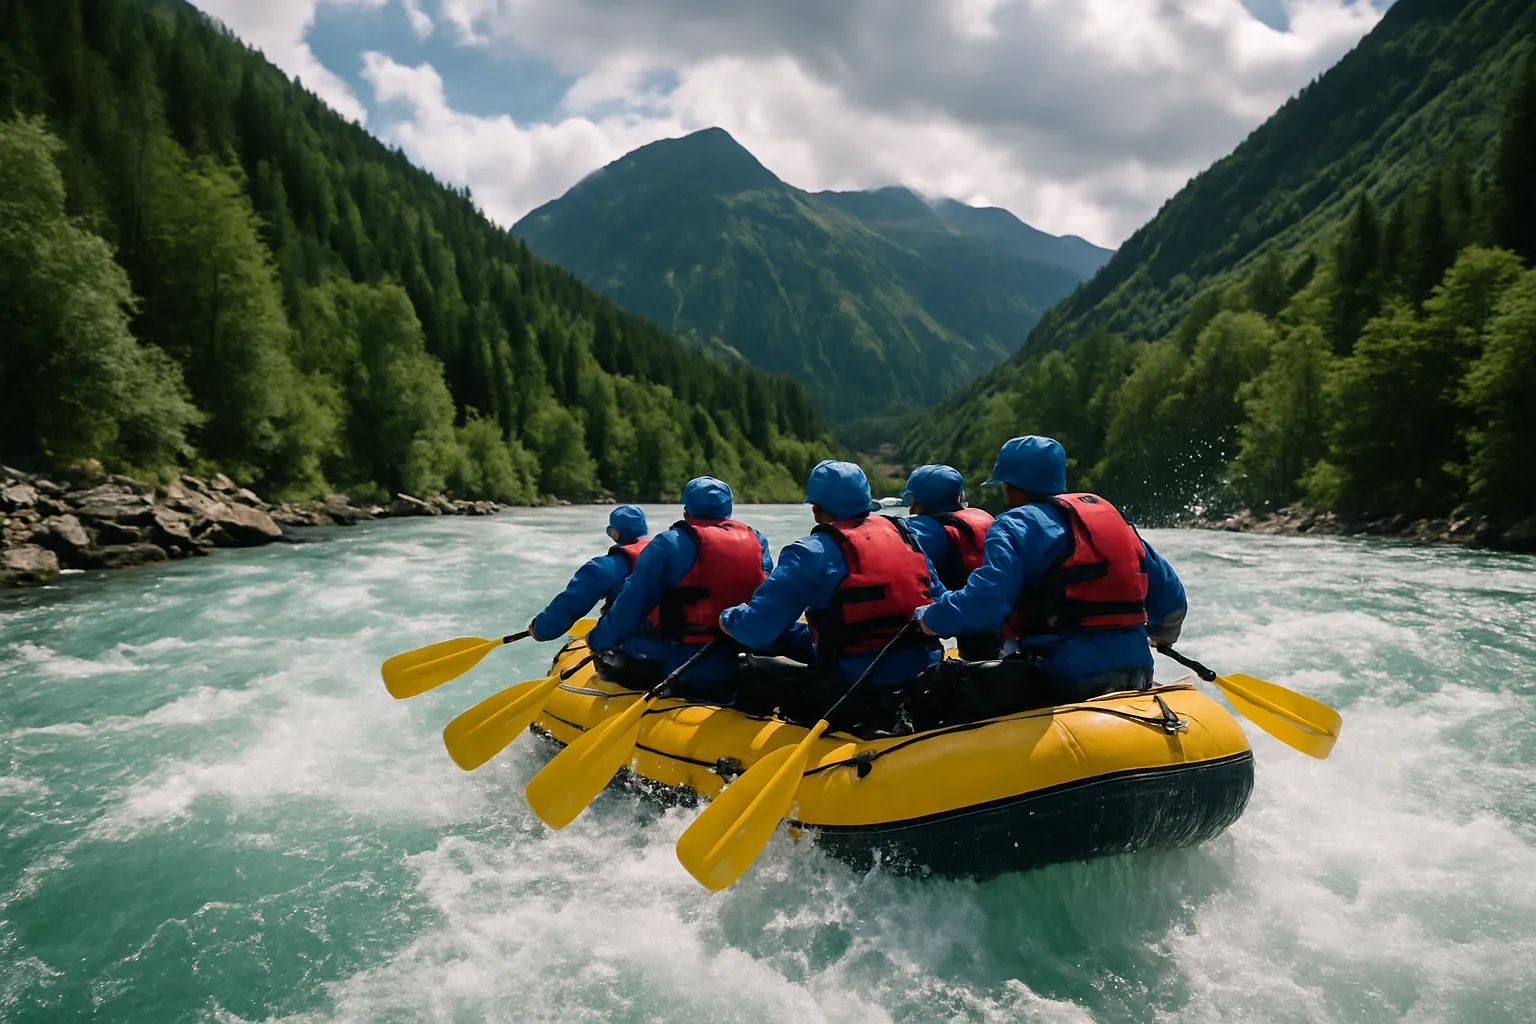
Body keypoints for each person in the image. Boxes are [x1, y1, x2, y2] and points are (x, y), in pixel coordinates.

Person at [916, 435, 1186, 710]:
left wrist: (930, 619)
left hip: (1061, 679)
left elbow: (986, 602)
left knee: (940, 689)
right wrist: (1160, 634)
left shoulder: (1014, 525)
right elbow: (1172, 599)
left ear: (1009, 486)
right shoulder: (1112, 521)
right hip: (1137, 673)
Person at [719, 460, 946, 729]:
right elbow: (939, 599)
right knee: (802, 636)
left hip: (853, 685)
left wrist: (728, 618)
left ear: (816, 507)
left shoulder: (810, 552)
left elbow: (757, 629)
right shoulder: (905, 535)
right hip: (924, 675)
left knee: (749, 668)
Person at [586, 477, 772, 692]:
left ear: (686, 511)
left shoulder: (669, 543)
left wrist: (596, 641)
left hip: (676, 659)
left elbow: (630, 606)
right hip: (736, 654)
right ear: (728, 511)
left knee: (613, 658)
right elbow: (766, 596)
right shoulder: (757, 541)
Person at [897, 464, 1002, 661]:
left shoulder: (926, 528)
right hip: (999, 621)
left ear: (926, 501)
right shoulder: (984, 517)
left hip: (964, 615)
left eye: (914, 501)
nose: (911, 509)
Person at [527, 504, 650, 642]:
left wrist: (540, 629)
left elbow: (570, 605)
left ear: (614, 533)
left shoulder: (604, 567)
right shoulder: (666, 554)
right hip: (672, 642)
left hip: (636, 647)